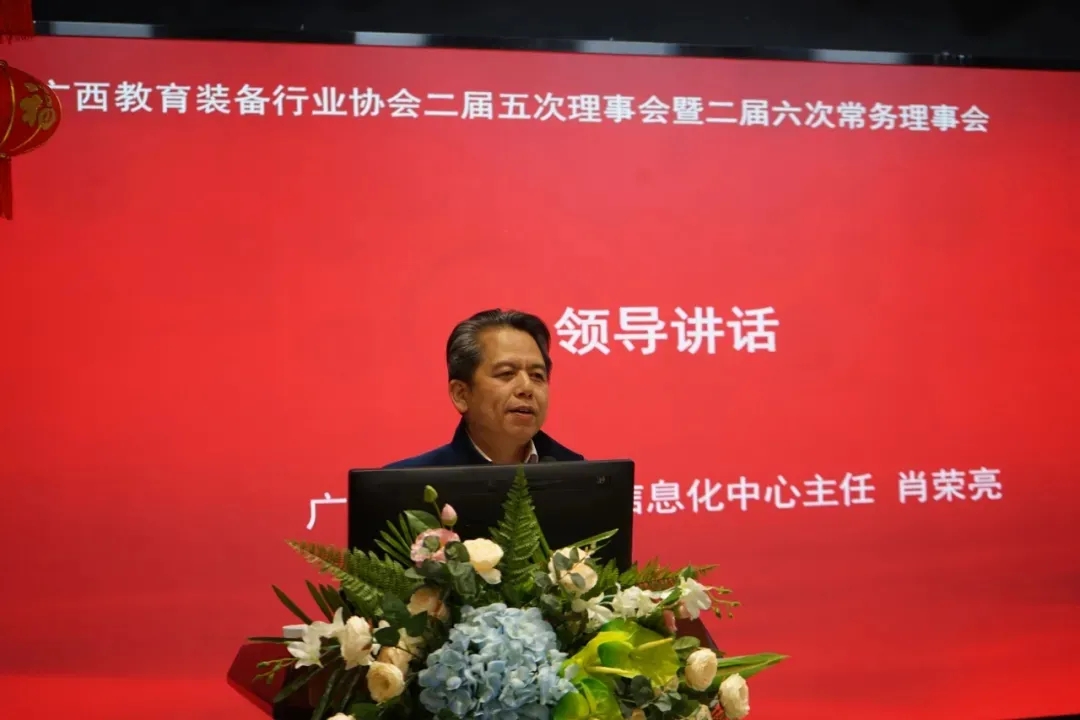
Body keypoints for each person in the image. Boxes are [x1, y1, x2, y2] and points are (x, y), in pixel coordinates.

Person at [385, 309, 584, 467]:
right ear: (461, 395)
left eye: (537, 376)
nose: (526, 387)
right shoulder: (408, 486)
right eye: (507, 373)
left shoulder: (580, 476)